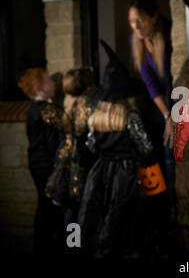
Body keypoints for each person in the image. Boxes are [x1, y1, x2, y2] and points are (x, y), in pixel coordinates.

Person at [77, 41, 156, 257]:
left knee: (102, 213)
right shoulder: (130, 116)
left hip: (101, 171)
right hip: (128, 173)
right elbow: (146, 147)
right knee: (125, 217)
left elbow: (91, 145)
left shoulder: (95, 117)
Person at [127, 0, 179, 254]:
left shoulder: (168, 36)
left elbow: (171, 80)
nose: (135, 27)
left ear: (153, 18)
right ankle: (158, 216)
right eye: (131, 23)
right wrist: (166, 115)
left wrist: (173, 116)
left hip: (176, 100)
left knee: (171, 156)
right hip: (158, 108)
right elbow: (150, 83)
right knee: (152, 157)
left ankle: (173, 213)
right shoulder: (135, 41)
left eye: (140, 21)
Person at [17, 67, 65, 256]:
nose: (53, 83)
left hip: (37, 163)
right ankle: (67, 245)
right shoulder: (47, 111)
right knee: (55, 207)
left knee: (47, 207)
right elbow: (55, 142)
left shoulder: (34, 110)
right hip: (49, 166)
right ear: (39, 88)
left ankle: (46, 247)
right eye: (49, 81)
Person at [45, 67, 97, 232]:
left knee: (71, 206)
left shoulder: (67, 107)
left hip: (68, 163)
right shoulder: (88, 107)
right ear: (88, 87)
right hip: (81, 163)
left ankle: (71, 245)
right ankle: (76, 245)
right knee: (80, 206)